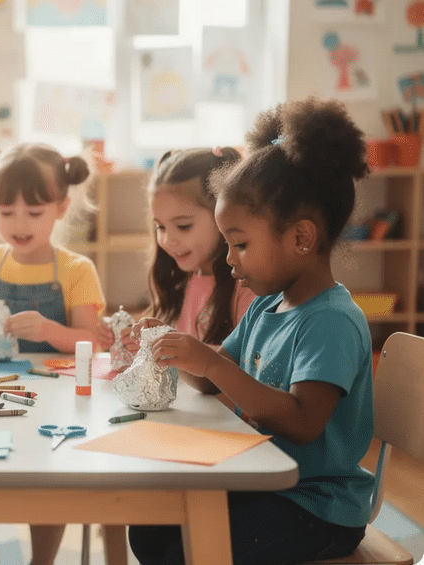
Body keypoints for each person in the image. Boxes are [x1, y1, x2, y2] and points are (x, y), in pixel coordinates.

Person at [129, 96, 375, 564]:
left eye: (240, 244)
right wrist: (177, 350)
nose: (228, 260)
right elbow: (213, 370)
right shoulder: (268, 305)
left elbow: (302, 423)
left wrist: (210, 363)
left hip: (316, 506)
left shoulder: (331, 322)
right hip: (262, 478)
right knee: (149, 525)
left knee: (189, 550)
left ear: (301, 238)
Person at [0, 143, 107, 565]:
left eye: (34, 213)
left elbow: (92, 342)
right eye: (6, 211)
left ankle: (42, 560)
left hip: (53, 399)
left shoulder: (76, 269)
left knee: (48, 481)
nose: (19, 224)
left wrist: (52, 331)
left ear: (61, 207)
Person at [110, 147, 255, 355]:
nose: (168, 240)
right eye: (160, 227)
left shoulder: (247, 287)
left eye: (183, 226)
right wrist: (135, 346)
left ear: (222, 215)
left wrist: (173, 349)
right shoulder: (180, 279)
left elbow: (249, 363)